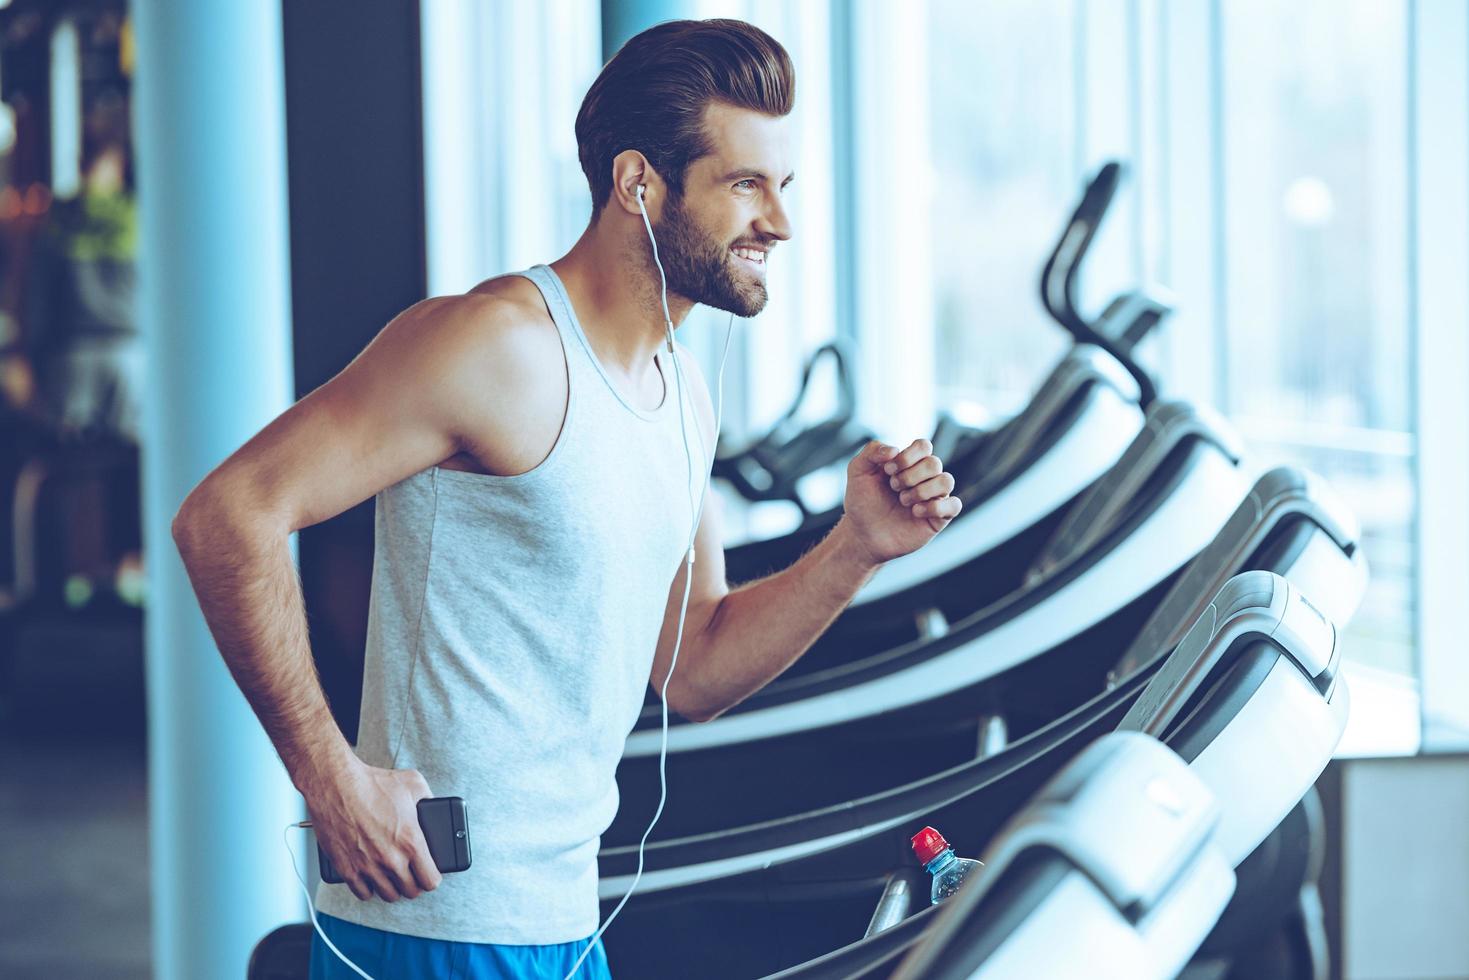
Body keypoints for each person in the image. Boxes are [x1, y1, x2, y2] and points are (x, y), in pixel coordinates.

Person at [171, 18, 962, 980]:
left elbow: (696, 669)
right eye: (745, 185)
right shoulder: (493, 347)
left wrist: (856, 549)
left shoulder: (683, 396)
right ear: (640, 183)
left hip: (566, 926)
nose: (780, 225)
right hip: (434, 932)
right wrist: (328, 777)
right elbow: (229, 514)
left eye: (782, 187)